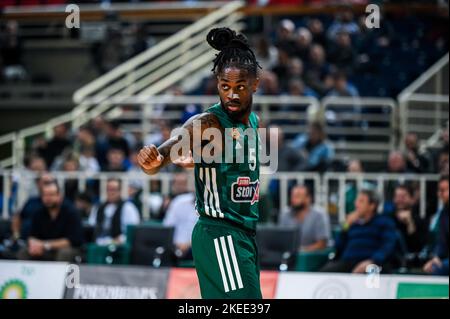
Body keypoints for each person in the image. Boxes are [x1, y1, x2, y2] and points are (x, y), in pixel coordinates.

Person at [138, 27, 262, 299]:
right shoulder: (207, 123)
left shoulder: (252, 122)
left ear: (255, 84)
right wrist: (155, 160)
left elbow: (228, 164)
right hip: (220, 232)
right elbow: (164, 155)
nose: (231, 95)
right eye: (224, 86)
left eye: (239, 87)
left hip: (243, 235)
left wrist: (197, 162)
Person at [321, 190, 397, 273]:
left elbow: (388, 246)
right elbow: (338, 246)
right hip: (348, 262)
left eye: (361, 201)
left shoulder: (384, 222)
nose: (356, 204)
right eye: (356, 201)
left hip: (373, 263)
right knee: (325, 273)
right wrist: (346, 225)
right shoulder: (352, 223)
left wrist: (372, 261)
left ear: (372, 205)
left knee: (373, 274)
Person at [17, 181, 83, 262]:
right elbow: (32, 236)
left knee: (64, 253)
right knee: (24, 252)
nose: (48, 198)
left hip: (69, 250)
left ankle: (59, 275)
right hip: (45, 249)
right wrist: (33, 245)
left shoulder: (71, 212)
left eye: (51, 195)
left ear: (59, 196)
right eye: (45, 195)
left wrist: (44, 245)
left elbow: (71, 241)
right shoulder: (38, 213)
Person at [88, 179, 140, 245]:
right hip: (99, 243)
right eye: (108, 189)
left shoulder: (128, 207)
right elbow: (92, 226)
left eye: (114, 190)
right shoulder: (98, 207)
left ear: (120, 191)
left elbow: (133, 230)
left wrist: (121, 239)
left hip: (119, 245)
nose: (111, 193)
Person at [278, 185, 330, 252]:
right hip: (289, 255)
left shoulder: (319, 215)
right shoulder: (285, 214)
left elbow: (322, 244)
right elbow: (281, 239)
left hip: (313, 256)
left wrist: (302, 251)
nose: (294, 199)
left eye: (298, 196)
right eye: (293, 196)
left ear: (308, 198)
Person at [423, 175, 449, 276]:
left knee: (440, 268)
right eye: (439, 190)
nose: (440, 194)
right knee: (433, 267)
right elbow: (442, 241)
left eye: (443, 190)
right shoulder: (443, 212)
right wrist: (436, 257)